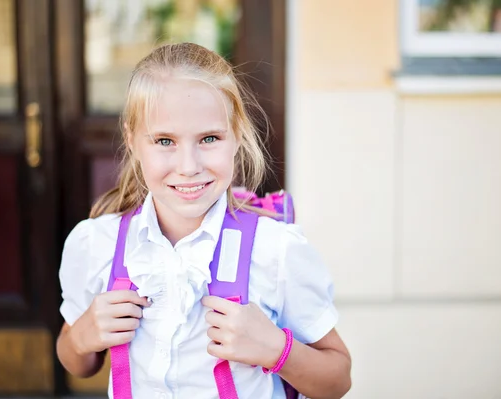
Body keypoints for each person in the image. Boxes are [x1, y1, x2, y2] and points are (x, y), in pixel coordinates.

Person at [56, 42, 351, 399]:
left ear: (237, 136)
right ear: (133, 141)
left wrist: (277, 350)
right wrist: (82, 337)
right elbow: (76, 360)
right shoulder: (97, 244)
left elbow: (337, 380)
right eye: (165, 141)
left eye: (209, 138)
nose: (189, 166)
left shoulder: (276, 251)